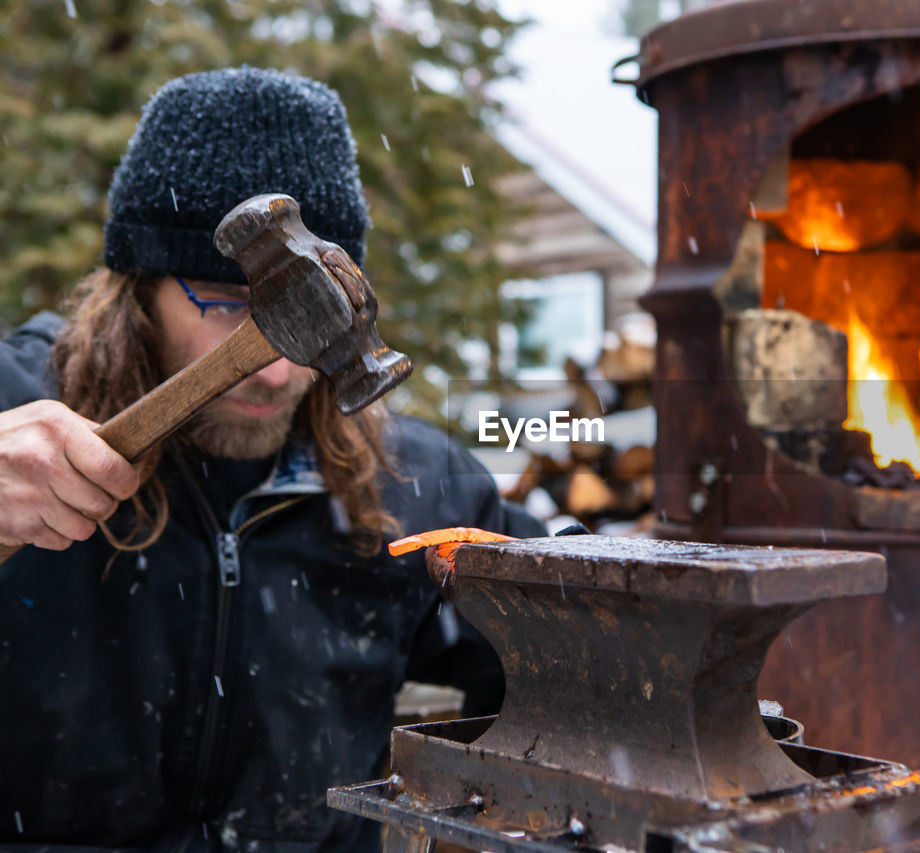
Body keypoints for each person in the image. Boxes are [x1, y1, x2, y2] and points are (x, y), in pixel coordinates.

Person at [0, 67, 545, 852]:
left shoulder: (414, 484)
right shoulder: (16, 411)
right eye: (225, 301)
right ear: (137, 286)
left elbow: (564, 662)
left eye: (308, 315)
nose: (278, 367)